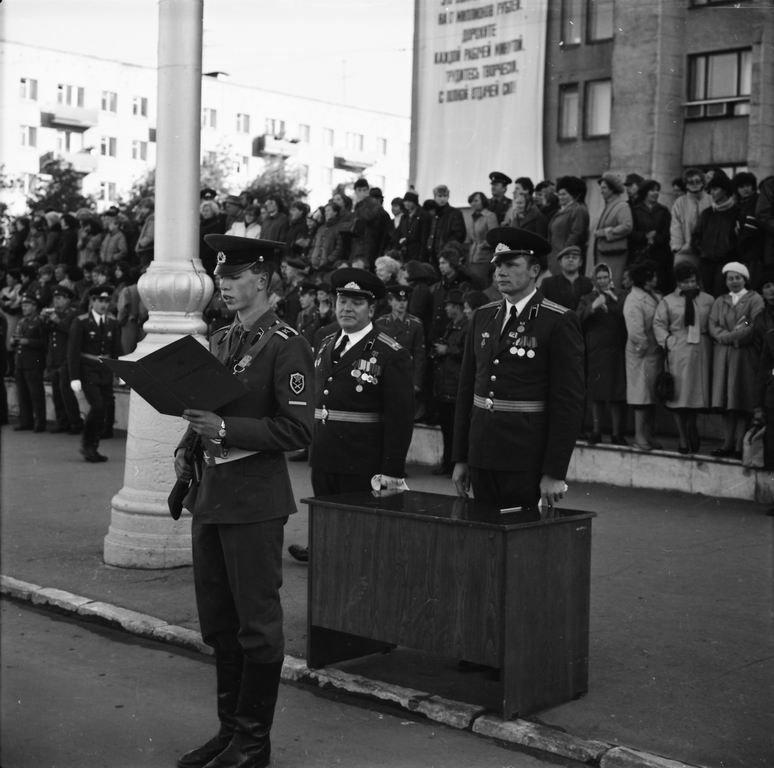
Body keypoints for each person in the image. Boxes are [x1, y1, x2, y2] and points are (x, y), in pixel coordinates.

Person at [174, 234, 314, 768]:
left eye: (233, 278)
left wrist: (225, 428)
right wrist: (189, 442)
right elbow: (208, 405)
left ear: (262, 279)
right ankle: (230, 732)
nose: (224, 286)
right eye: (220, 278)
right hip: (212, 495)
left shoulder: (286, 344)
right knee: (219, 623)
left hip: (255, 503)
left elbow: (297, 429)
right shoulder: (223, 337)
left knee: (256, 625)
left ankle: (253, 744)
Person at [452, 227, 585, 512]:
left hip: (525, 456)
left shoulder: (557, 320)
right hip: (482, 453)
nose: (501, 272)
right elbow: (467, 391)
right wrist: (461, 457)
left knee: (522, 533)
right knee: (481, 529)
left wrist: (555, 471)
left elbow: (568, 403)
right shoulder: (483, 316)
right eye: (498, 265)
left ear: (534, 270)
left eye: (511, 264)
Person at [288, 268, 415, 563]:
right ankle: (320, 549)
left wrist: (392, 471)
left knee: (359, 535)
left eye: (356, 303)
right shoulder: (325, 341)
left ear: (371, 309)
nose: (346, 308)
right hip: (324, 453)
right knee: (325, 515)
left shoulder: (390, 352)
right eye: (342, 301)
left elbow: (400, 419)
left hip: (362, 460)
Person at [653, 262, 714, 454]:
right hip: (679, 350)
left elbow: (715, 321)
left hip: (701, 350)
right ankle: (682, 437)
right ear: (678, 282)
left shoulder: (708, 300)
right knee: (679, 395)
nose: (689, 285)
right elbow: (658, 324)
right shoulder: (668, 301)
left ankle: (692, 427)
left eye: (692, 281)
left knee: (695, 393)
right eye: (685, 282)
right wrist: (668, 341)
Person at [708, 261, 764, 457]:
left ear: (745, 279)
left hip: (743, 357)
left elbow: (750, 324)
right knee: (726, 402)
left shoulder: (754, 299)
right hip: (723, 357)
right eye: (730, 278)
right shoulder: (720, 301)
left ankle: (740, 445)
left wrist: (729, 336)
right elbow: (713, 324)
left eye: (737, 278)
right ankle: (727, 443)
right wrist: (726, 336)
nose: (734, 281)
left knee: (741, 400)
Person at [68, 285, 122, 462]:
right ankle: (87, 444)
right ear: (92, 301)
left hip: (105, 371)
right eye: (100, 300)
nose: (104, 304)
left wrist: (120, 372)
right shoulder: (81, 321)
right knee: (97, 407)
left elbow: (117, 350)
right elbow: (73, 351)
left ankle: (94, 446)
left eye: (106, 301)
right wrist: (74, 377)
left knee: (103, 409)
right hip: (88, 370)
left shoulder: (113, 322)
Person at [576, 263, 628, 445]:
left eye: (605, 277)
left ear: (610, 278)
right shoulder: (586, 298)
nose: (602, 281)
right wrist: (593, 306)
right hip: (596, 350)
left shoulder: (621, 295)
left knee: (616, 393)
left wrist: (612, 299)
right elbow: (577, 319)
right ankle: (596, 432)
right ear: (594, 280)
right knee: (596, 393)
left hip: (616, 349)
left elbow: (626, 314)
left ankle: (617, 434)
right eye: (599, 278)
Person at [623, 260, 663, 450]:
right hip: (641, 353)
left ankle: (649, 434)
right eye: (652, 276)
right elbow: (635, 332)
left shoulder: (654, 295)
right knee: (641, 397)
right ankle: (640, 436)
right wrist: (645, 347)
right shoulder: (634, 300)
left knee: (651, 396)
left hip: (653, 352)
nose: (655, 279)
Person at [430, 288, 467, 475]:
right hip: (445, 385)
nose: (445, 309)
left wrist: (447, 350)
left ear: (457, 307)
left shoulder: (466, 327)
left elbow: (466, 352)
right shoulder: (450, 326)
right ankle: (447, 464)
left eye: (449, 305)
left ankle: (453, 465)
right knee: (447, 428)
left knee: (455, 429)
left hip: (455, 385)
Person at [42, 285, 84, 434]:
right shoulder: (54, 313)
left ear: (67, 300)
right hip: (55, 357)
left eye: (59, 298)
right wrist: (44, 319)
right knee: (56, 392)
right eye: (55, 298)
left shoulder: (74, 314)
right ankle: (62, 422)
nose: (56, 301)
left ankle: (76, 423)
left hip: (67, 357)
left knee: (65, 391)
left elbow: (71, 331)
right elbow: (47, 334)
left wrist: (57, 320)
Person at [375, 284, 426, 401]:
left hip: (406, 374)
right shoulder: (380, 323)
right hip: (385, 374)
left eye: (404, 300)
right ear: (390, 301)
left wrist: (417, 382)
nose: (402, 304)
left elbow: (419, 355)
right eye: (398, 300)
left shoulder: (416, 324)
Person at [693, 173, 738, 297]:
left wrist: (729, 253)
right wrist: (702, 252)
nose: (712, 193)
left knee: (721, 296)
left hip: (726, 263)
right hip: (706, 263)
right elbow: (696, 237)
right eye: (710, 190)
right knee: (706, 297)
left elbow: (739, 240)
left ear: (725, 190)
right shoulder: (706, 214)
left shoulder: (736, 213)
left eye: (715, 189)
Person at [629, 179, 673, 293]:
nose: (655, 193)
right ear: (645, 192)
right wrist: (645, 236)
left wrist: (655, 239)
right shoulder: (635, 210)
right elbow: (631, 232)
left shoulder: (663, 211)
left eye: (657, 190)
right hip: (640, 255)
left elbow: (668, 232)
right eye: (652, 190)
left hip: (660, 256)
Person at [12, 294, 47, 432]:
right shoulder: (22, 321)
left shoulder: (39, 321)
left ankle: (40, 422)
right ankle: (26, 422)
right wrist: (14, 341)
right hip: (20, 361)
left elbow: (44, 342)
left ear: (34, 306)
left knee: (36, 394)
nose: (24, 307)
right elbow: (17, 338)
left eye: (26, 305)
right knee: (22, 394)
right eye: (23, 305)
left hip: (33, 362)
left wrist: (28, 342)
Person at [593, 173, 633, 289]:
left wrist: (605, 233)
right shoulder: (609, 205)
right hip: (605, 252)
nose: (601, 191)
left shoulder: (621, 206)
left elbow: (627, 226)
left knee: (612, 283)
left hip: (614, 253)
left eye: (604, 188)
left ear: (612, 189)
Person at [670, 167, 712, 269]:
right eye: (691, 182)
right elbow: (675, 226)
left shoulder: (711, 199)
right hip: (687, 250)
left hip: (709, 251)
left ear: (703, 183)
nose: (695, 184)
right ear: (686, 185)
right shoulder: (680, 202)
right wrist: (678, 247)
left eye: (698, 181)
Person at [547, 176, 589, 276]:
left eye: (564, 194)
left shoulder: (578, 209)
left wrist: (564, 254)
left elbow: (576, 234)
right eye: (559, 194)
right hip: (556, 257)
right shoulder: (562, 210)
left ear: (573, 195)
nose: (560, 197)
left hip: (566, 259)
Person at [539, 245, 593, 311]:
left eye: (574, 257)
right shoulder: (548, 283)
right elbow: (538, 305)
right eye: (567, 257)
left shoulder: (589, 283)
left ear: (580, 262)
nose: (570, 260)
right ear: (560, 262)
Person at [465, 191, 499, 289]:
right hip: (472, 258)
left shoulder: (490, 216)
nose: (473, 203)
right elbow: (470, 238)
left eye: (476, 200)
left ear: (483, 201)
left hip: (485, 258)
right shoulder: (471, 217)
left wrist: (483, 245)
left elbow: (494, 238)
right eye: (472, 201)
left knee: (482, 285)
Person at [427, 184, 466, 265]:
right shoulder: (432, 214)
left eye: (445, 196)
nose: (442, 199)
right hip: (432, 253)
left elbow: (459, 235)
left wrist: (447, 249)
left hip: (447, 253)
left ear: (448, 197)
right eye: (439, 196)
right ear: (434, 197)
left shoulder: (455, 213)